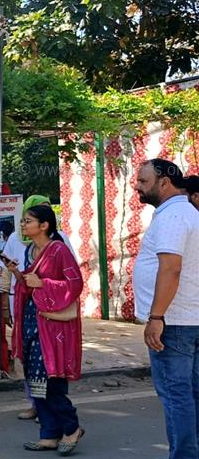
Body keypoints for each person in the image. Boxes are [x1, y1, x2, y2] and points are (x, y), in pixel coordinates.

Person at [4, 204, 84, 455]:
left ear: (44, 225)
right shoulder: (30, 250)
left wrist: (43, 283)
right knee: (35, 379)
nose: (23, 225)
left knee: (51, 379)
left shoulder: (58, 250)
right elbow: (30, 286)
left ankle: (71, 427)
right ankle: (49, 433)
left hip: (52, 326)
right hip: (32, 321)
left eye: (28, 221)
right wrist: (18, 274)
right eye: (23, 221)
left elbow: (75, 284)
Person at [132, 159, 199, 459]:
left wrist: (156, 317)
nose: (137, 186)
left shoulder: (173, 216)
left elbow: (171, 269)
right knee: (190, 394)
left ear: (164, 182)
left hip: (174, 323)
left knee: (176, 395)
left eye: (143, 181)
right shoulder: (188, 213)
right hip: (188, 318)